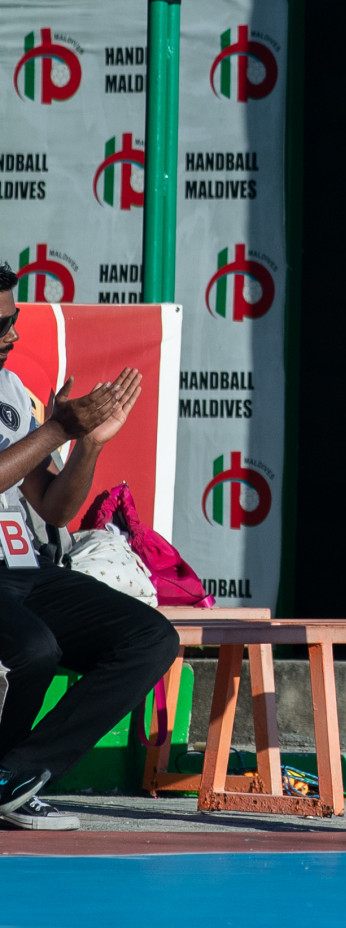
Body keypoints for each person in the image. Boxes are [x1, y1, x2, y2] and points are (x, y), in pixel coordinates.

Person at [0, 264, 179, 830]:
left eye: (14, 321)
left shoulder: (9, 389)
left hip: (25, 572)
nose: (11, 336)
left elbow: (53, 507)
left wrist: (87, 445)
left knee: (150, 638)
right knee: (34, 649)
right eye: (0, 324)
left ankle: (16, 773)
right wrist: (54, 430)